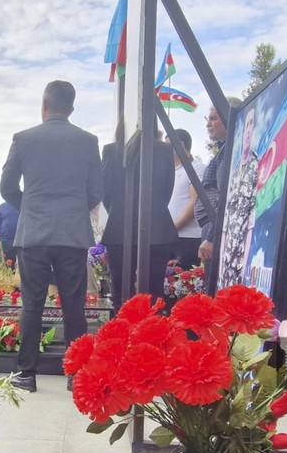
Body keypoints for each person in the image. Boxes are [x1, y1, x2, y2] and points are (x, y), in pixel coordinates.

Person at [0, 80, 102, 393]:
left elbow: (6, 187)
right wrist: (72, 210)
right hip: (72, 234)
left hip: (34, 235)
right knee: (74, 305)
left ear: (44, 105)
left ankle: (27, 374)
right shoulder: (88, 141)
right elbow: (97, 191)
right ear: (71, 108)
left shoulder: (23, 138)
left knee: (31, 303)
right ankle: (75, 374)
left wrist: (30, 208)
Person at [100, 119, 177, 313]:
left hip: (119, 227)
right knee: (154, 293)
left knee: (120, 293)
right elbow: (167, 189)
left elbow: (105, 191)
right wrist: (153, 210)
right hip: (157, 227)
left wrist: (119, 211)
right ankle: (152, 336)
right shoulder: (164, 151)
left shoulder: (112, 150)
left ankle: (122, 338)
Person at [194, 97, 241, 279]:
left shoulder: (230, 151)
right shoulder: (223, 151)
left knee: (215, 287)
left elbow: (225, 195)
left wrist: (212, 237)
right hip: (213, 226)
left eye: (213, 118)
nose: (208, 124)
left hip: (218, 230)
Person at [219, 106, 259, 288]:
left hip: (240, 258)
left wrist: (245, 265)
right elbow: (226, 224)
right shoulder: (234, 171)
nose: (249, 129)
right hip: (226, 258)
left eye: (252, 123)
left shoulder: (254, 165)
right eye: (247, 124)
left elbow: (251, 221)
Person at [167, 129, 207, 271]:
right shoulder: (170, 171)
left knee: (181, 286)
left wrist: (172, 227)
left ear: (180, 144)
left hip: (188, 239)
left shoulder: (197, 168)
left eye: (167, 145)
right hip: (169, 238)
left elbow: (194, 202)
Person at [0, 201, 19, 269]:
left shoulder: (24, 205)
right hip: (5, 242)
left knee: (24, 270)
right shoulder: (2, 207)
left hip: (21, 242)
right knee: (6, 268)